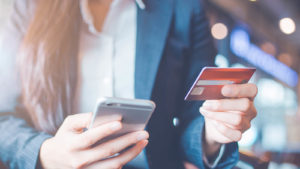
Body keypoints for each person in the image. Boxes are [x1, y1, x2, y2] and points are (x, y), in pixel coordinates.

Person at [0, 0, 258, 169]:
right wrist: (45, 153)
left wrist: (215, 132)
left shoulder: (183, 9)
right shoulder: (30, 7)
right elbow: (3, 117)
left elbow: (196, 116)